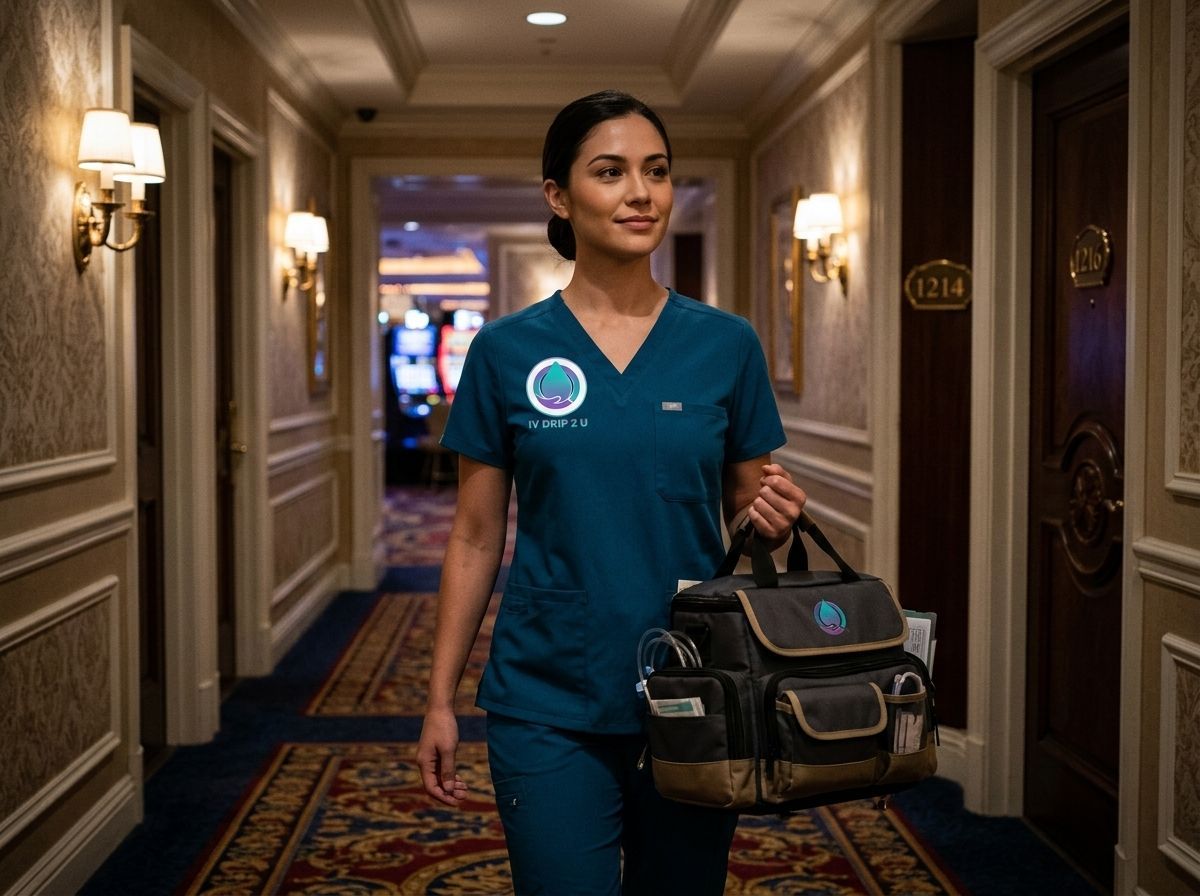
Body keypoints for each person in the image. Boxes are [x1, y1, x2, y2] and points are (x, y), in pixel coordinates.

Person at [416, 89, 807, 895]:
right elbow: (475, 535)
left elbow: (749, 513)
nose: (641, 192)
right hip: (549, 690)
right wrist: (439, 700)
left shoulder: (725, 345)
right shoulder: (505, 351)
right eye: (611, 171)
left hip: (700, 686)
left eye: (657, 172)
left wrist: (772, 518)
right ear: (558, 195)